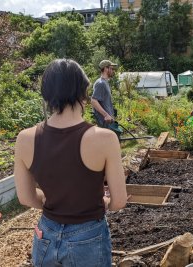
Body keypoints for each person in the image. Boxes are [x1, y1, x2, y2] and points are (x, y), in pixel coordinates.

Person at [14, 59, 127, 267]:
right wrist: (104, 202)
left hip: (45, 235)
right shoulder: (105, 139)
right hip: (89, 237)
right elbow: (119, 201)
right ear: (83, 92)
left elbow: (25, 197)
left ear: (46, 94)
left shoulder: (25, 138)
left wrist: (53, 202)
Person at [91, 60, 122, 136]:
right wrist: (106, 115)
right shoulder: (101, 83)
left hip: (108, 121)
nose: (113, 71)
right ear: (105, 69)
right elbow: (94, 101)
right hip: (104, 121)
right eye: (111, 68)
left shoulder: (105, 82)